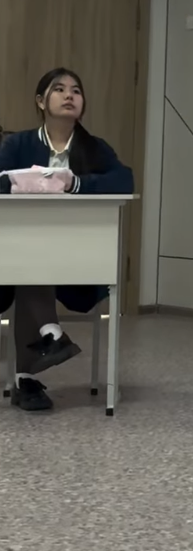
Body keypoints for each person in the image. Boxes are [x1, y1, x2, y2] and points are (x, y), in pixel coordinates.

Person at [0, 68, 134, 413]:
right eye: (59, 89)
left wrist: (76, 184)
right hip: (17, 253)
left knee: (32, 262)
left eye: (76, 90)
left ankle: (39, 356)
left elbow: (124, 180)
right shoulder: (17, 144)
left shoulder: (94, 148)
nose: (69, 95)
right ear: (41, 101)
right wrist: (22, 183)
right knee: (30, 259)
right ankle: (39, 356)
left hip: (78, 258)